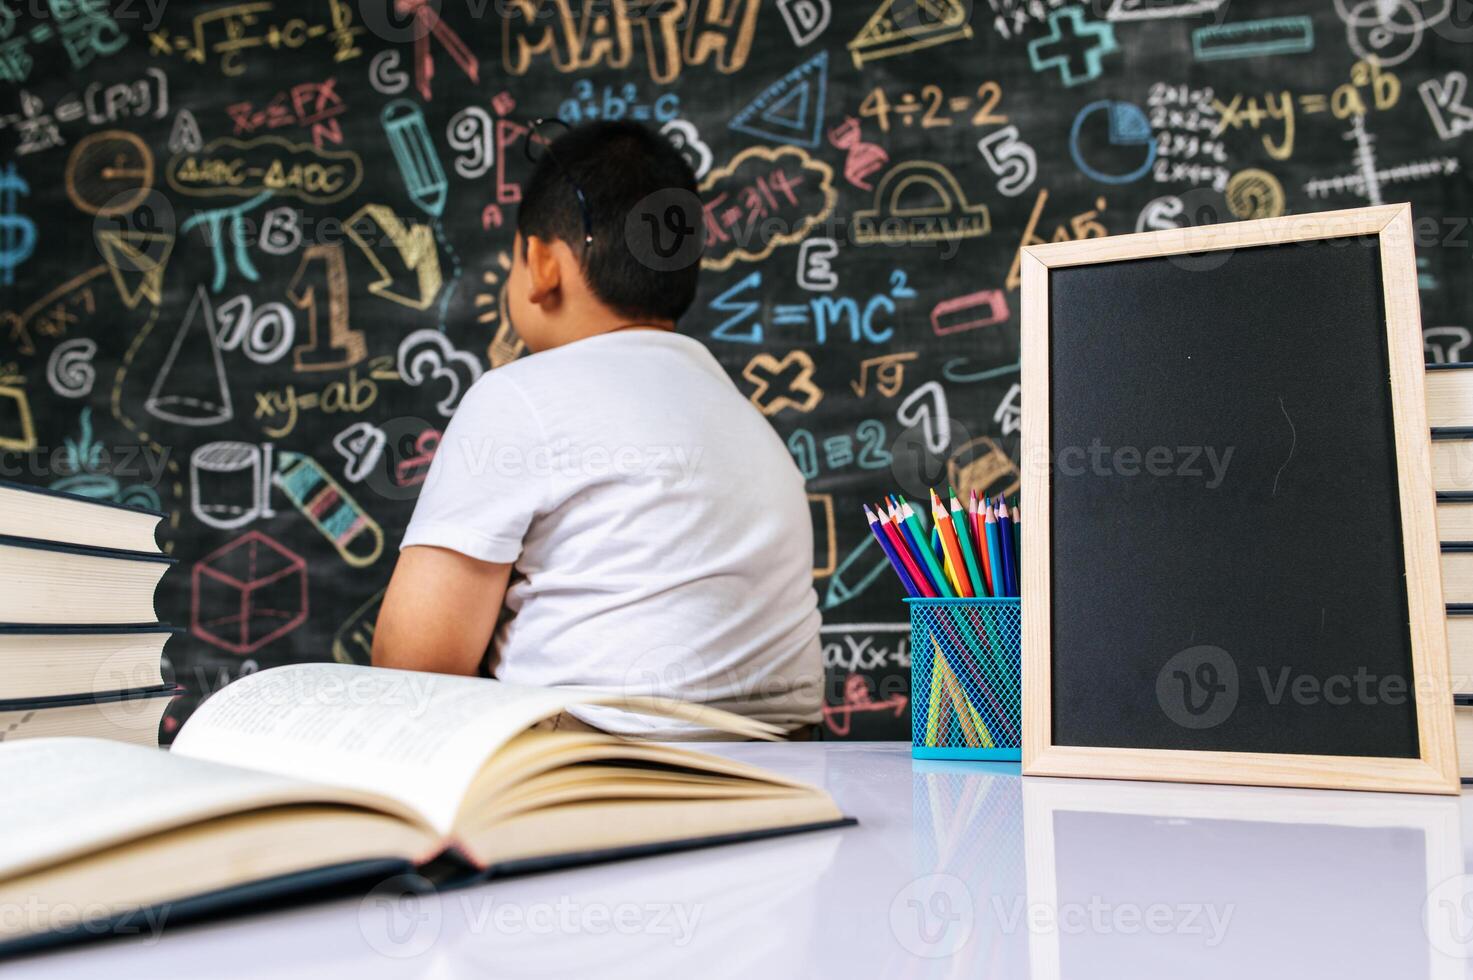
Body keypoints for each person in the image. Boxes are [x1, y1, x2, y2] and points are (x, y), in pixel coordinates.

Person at [372, 120, 822, 740]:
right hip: (790, 788)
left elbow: (412, 667)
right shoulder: (753, 428)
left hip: (589, 787)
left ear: (541, 265)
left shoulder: (516, 398)